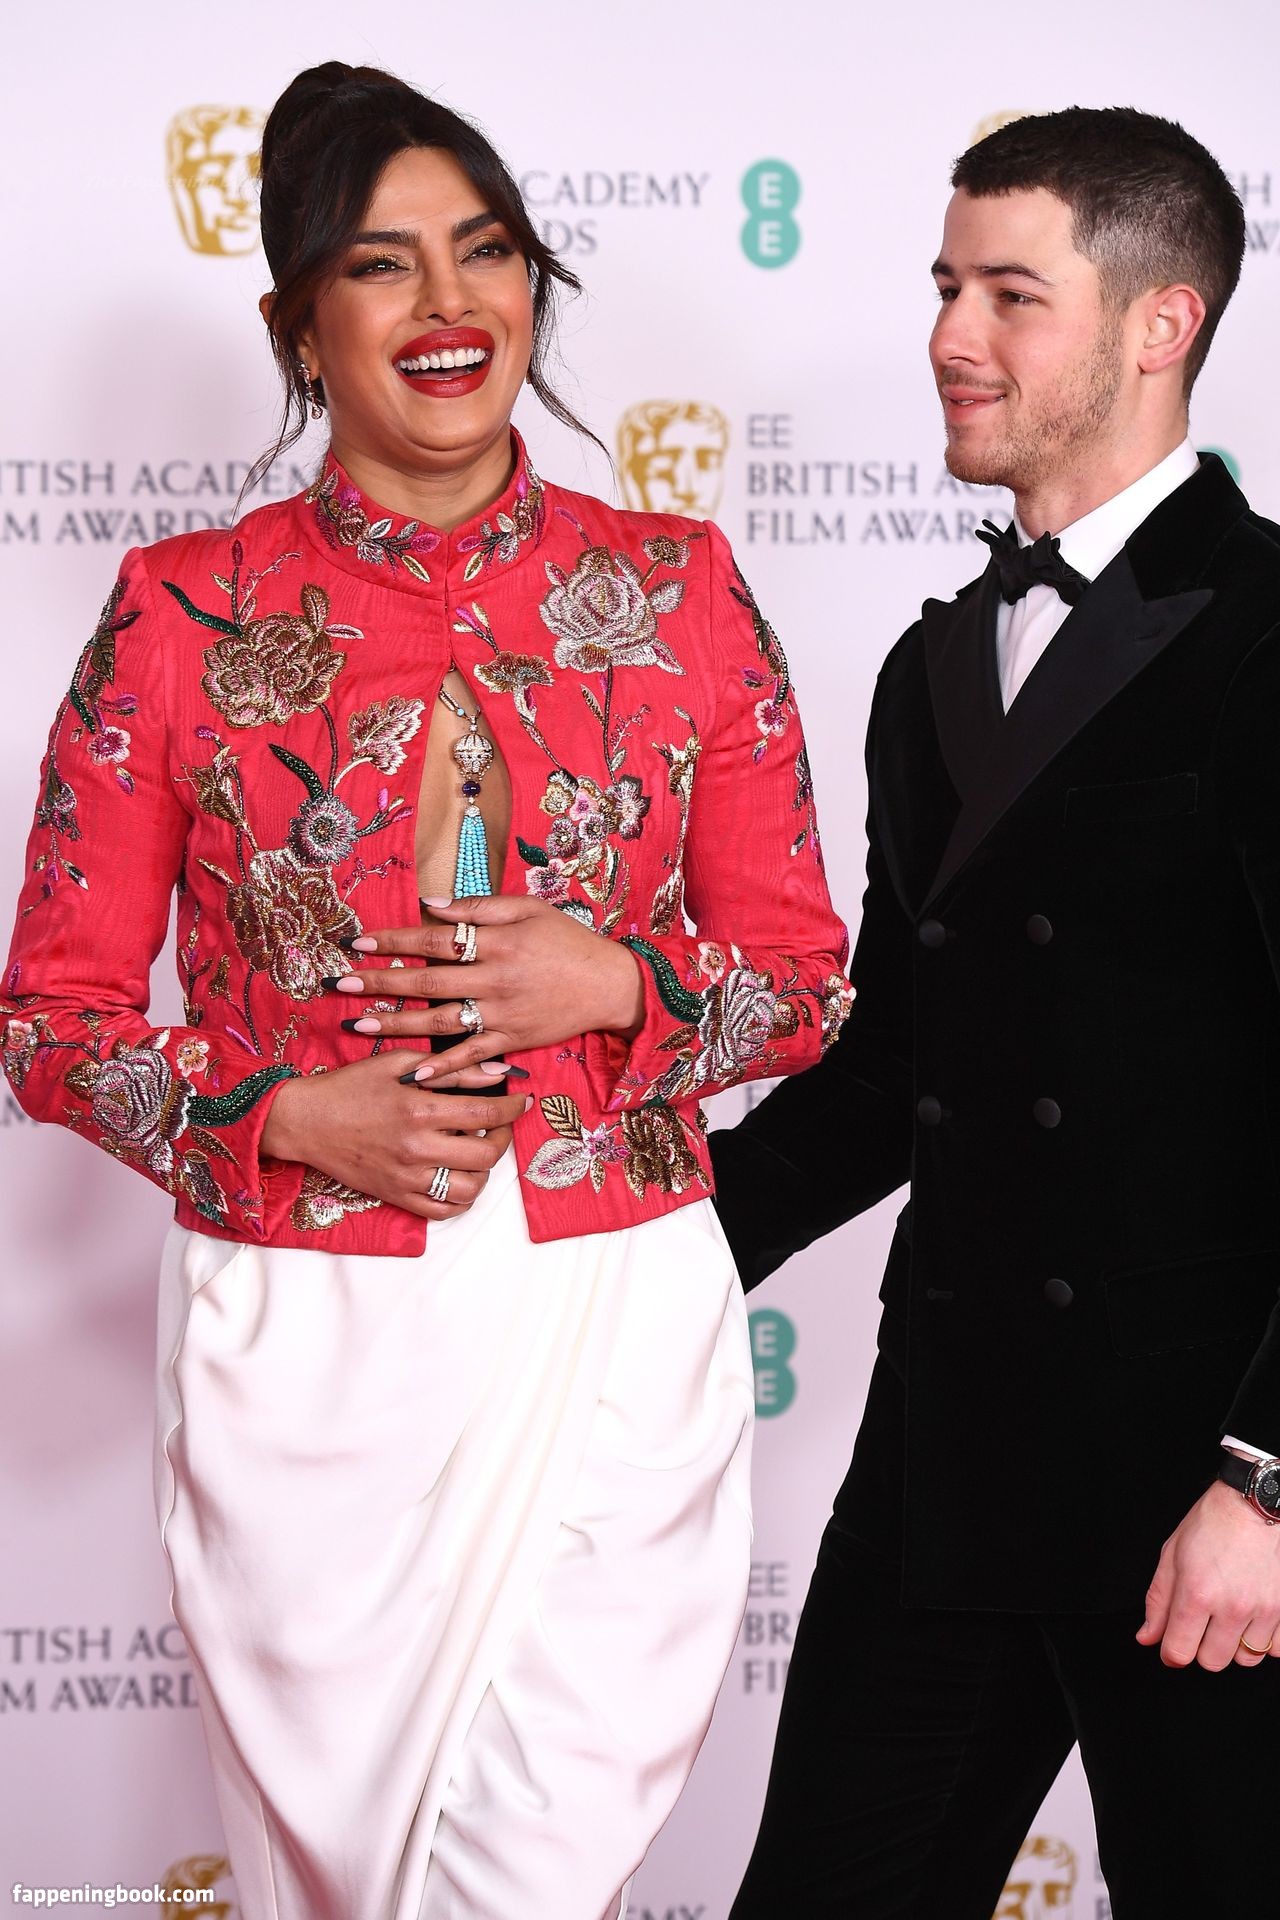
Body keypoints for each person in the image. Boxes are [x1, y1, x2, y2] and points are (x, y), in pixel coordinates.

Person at [0, 63, 850, 1920]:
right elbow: (50, 1024)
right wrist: (282, 1114)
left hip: (610, 1308)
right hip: (304, 1341)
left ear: (537, 281)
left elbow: (802, 986)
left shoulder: (681, 589)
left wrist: (614, 980)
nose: (449, 304)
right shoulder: (180, 615)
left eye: (487, 250)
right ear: (296, 322)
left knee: (531, 1864)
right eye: (381, 264)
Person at [711, 106, 1280, 1917]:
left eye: (1011, 295)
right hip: (951, 1459)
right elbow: (900, 1065)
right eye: (946, 286)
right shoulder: (932, 662)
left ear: (1160, 323)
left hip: (1206, 1487)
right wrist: (625, 1247)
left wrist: (1270, 1484)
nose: (952, 334)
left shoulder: (1274, 633)